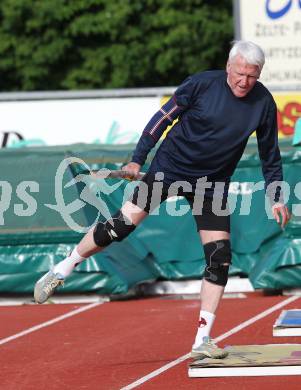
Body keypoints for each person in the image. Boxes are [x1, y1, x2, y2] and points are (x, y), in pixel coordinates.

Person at [34, 40, 290, 360]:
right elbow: (161, 119)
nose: (245, 82)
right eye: (240, 74)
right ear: (229, 67)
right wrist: (137, 160)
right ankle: (63, 268)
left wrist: (276, 195)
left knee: (219, 257)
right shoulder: (200, 85)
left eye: (252, 76)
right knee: (118, 229)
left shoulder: (263, 102)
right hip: (169, 170)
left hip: (211, 185)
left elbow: (270, 154)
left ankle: (202, 339)